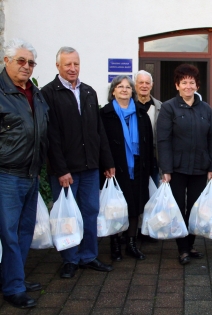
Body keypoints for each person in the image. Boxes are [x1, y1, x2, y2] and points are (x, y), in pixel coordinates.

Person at [41, 47, 115, 279]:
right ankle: (70, 259)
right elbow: (51, 136)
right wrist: (61, 170)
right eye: (67, 65)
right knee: (67, 217)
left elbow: (98, 131)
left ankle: (88, 256)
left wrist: (107, 161)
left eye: (76, 64)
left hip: (91, 167)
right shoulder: (48, 93)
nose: (72, 68)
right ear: (58, 67)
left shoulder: (89, 92)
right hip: (66, 170)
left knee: (90, 212)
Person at [0, 38, 48, 308]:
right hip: (7, 174)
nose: (27, 66)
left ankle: (13, 276)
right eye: (21, 61)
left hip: (31, 174)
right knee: (9, 233)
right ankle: (13, 287)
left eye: (31, 62)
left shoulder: (35, 92)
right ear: (6, 61)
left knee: (24, 231)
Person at [157, 64, 212, 265]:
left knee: (195, 208)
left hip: (200, 168)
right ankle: (182, 248)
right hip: (176, 168)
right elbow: (163, 140)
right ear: (177, 85)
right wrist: (165, 169)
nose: (188, 86)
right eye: (184, 82)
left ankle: (190, 244)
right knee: (178, 207)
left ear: (197, 85)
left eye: (191, 82)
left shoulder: (206, 109)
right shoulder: (169, 108)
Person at [100, 75, 153, 261]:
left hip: (138, 167)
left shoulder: (141, 113)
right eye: (120, 87)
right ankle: (114, 244)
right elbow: (101, 143)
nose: (124, 90)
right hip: (115, 168)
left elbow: (149, 143)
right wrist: (106, 165)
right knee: (115, 206)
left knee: (135, 205)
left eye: (128, 87)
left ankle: (131, 243)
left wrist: (148, 167)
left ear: (133, 91)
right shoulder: (105, 114)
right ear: (113, 91)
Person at [134, 70, 161, 186]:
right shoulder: (128, 107)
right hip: (134, 160)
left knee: (154, 199)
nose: (144, 86)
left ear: (152, 85)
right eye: (141, 82)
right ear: (135, 85)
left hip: (154, 160)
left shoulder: (161, 107)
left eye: (147, 83)